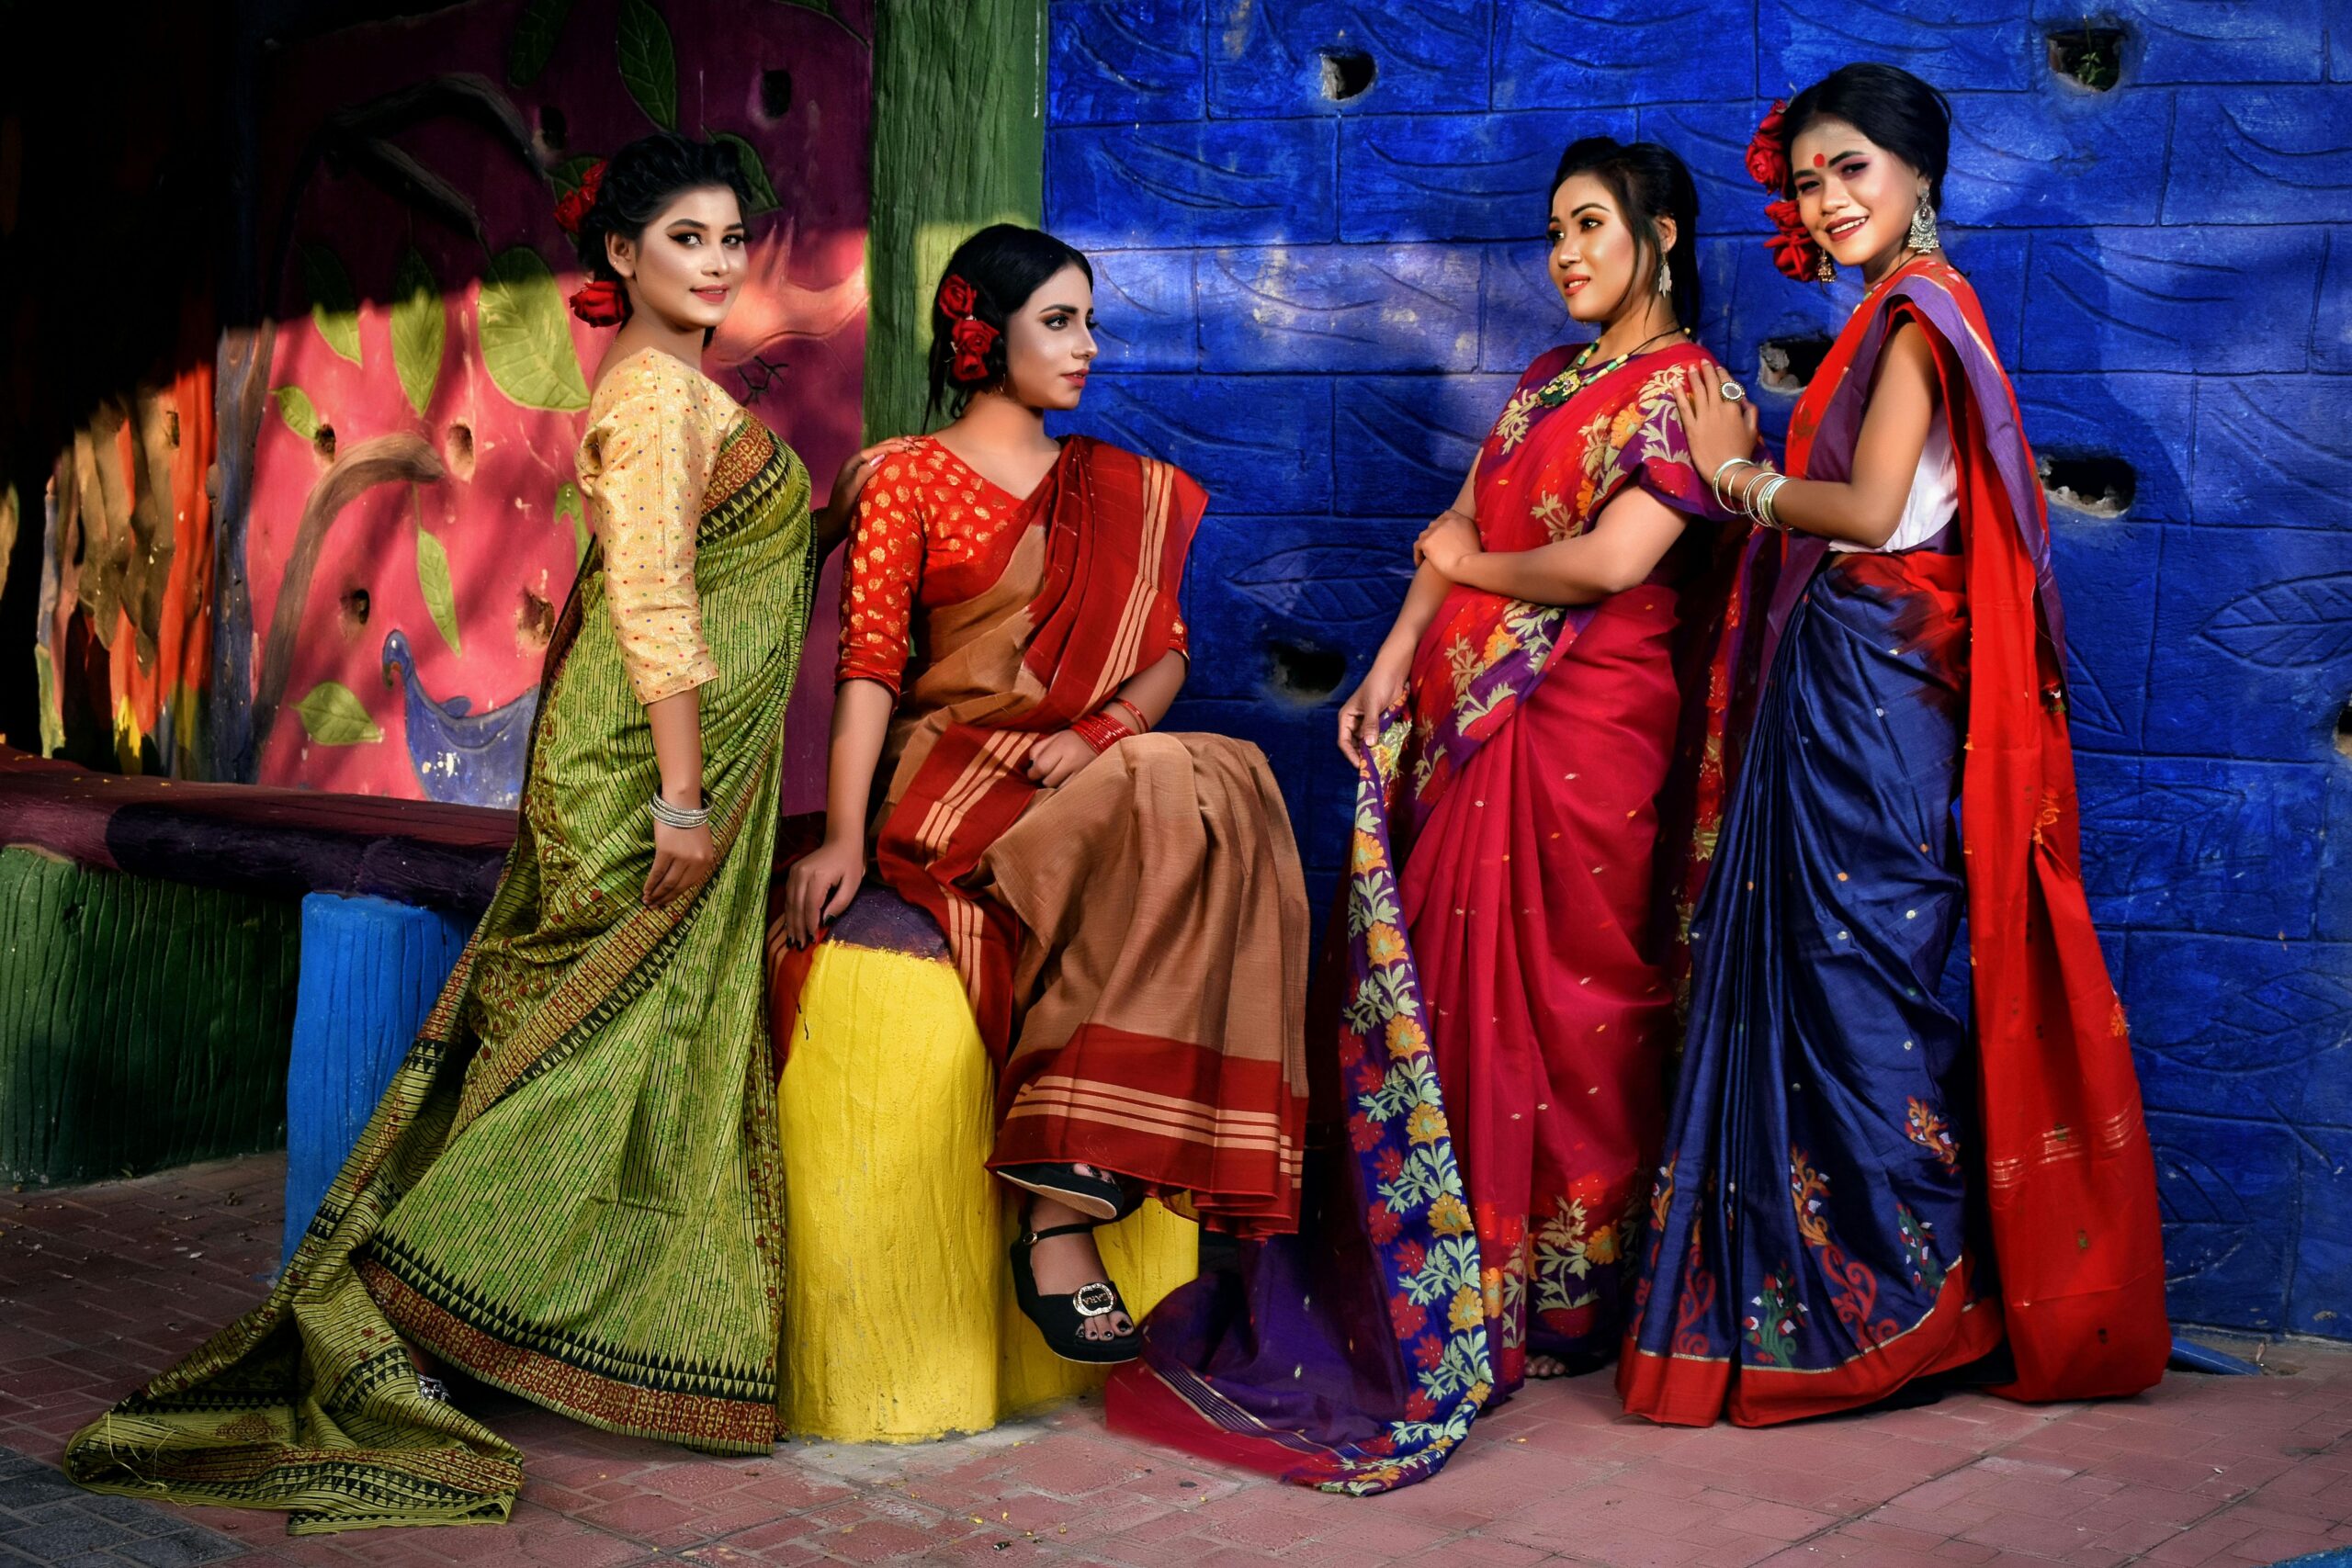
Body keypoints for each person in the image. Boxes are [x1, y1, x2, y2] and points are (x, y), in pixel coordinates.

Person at [63, 131, 910, 1530]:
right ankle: (393, 1307)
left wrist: (827, 516)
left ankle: (444, 1307)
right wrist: (682, 805)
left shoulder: (688, 400)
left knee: (573, 1042)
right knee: (563, 1053)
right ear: (620, 260)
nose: (713, 262)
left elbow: (720, 560)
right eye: (683, 238)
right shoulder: (649, 400)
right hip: (638, 775)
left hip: (645, 766)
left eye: (726, 240)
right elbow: (657, 615)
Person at [1107, 138, 1741, 1491]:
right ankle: (1462, 1276)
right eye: (1553, 232)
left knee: (1573, 999)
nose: (1565, 253)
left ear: (1665, 235)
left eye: (1590, 227)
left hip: (1586, 737)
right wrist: (1396, 656)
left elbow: (1617, 560)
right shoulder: (1546, 382)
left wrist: (1469, 568)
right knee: (1457, 995)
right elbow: (1452, 521)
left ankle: (1553, 1291)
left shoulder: (1692, 392)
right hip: (1469, 724)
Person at [1619, 63, 2169, 1427]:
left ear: (1919, 172)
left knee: (1870, 988)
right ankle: (1849, 1296)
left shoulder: (1919, 320)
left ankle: (1891, 1307)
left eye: (1853, 168)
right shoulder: (1895, 315)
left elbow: (1867, 512)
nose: (1828, 197)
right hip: (1853, 691)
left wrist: (1739, 474)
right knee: (1834, 983)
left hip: (1878, 702)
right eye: (1810, 179)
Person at [774, 224, 1310, 1364]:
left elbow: (1164, 650)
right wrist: (843, 839)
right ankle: (1059, 1210)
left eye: (1089, 322)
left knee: (1223, 774)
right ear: (982, 334)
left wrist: (1104, 727)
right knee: (1186, 782)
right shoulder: (905, 475)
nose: (1085, 347)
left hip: (1079, 762)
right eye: (1057, 322)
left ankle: (1069, 1177)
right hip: (952, 769)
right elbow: (867, 665)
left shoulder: (1116, 487)